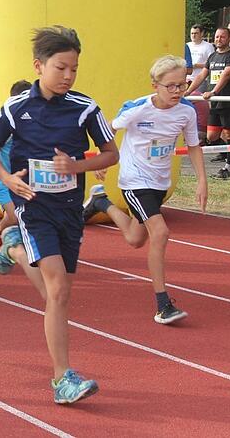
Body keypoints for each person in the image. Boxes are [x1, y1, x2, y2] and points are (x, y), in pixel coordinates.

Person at [0, 25, 118, 405]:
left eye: (74, 69)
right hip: (33, 205)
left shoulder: (85, 108)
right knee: (56, 289)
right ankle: (62, 378)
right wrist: (8, 178)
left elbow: (111, 153)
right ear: (38, 66)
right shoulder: (15, 108)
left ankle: (13, 248)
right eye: (61, 68)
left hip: (70, 209)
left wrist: (76, 166)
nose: (68, 76)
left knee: (60, 293)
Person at [83, 55, 207, 325]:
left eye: (182, 85)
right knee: (160, 232)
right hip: (135, 180)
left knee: (135, 239)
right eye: (170, 86)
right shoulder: (138, 109)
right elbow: (108, 130)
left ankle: (100, 202)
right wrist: (102, 160)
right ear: (155, 86)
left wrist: (202, 180)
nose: (177, 91)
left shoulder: (186, 111)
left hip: (159, 182)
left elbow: (194, 146)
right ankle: (163, 305)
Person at [0, 80, 36, 275]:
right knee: (14, 215)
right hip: (2, 178)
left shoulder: (33, 122)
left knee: (29, 217)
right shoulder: (7, 120)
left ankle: (12, 246)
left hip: (23, 179)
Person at [188, 27, 230, 178]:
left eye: (222, 37)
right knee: (211, 136)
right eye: (217, 37)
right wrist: (187, 92)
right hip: (215, 102)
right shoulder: (212, 56)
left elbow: (226, 74)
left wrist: (214, 92)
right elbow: (201, 76)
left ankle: (228, 166)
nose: (219, 39)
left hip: (228, 100)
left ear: (229, 38)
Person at [186, 25, 214, 137]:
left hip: (201, 80)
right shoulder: (187, 45)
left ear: (202, 34)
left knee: (200, 104)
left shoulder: (208, 46)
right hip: (187, 79)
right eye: (192, 33)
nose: (193, 35)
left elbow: (211, 63)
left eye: (196, 33)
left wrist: (197, 65)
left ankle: (201, 131)